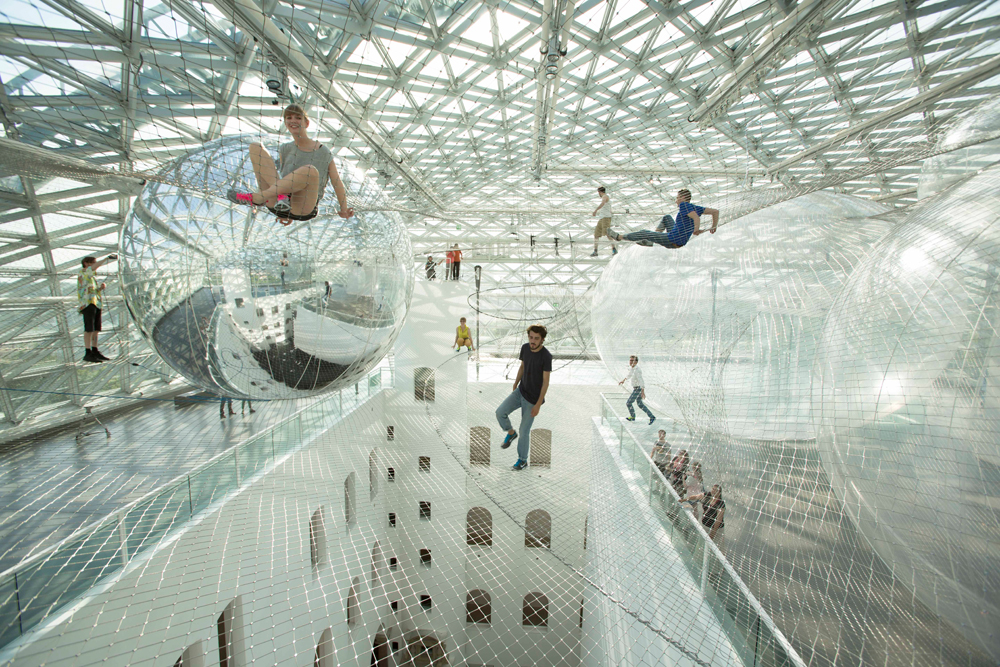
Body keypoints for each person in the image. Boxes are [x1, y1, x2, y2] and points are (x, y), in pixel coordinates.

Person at [227, 104, 353, 225]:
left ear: (307, 123)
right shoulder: (285, 148)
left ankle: (258, 198)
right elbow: (284, 179)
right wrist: (285, 211)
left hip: (303, 205)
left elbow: (336, 182)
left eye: (298, 117)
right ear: (285, 123)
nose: (293, 120)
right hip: (277, 202)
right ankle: (280, 199)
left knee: (310, 171)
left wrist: (344, 209)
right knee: (255, 147)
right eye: (289, 117)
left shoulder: (323, 151)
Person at [496, 324, 552, 471]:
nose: (532, 341)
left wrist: (538, 404)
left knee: (524, 431)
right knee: (500, 412)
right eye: (530, 337)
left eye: (536, 338)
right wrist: (515, 383)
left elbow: (546, 382)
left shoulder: (546, 356)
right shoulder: (525, 348)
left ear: (542, 339)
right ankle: (510, 433)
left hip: (532, 400)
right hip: (520, 391)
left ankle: (522, 460)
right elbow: (522, 366)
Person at [607, 189, 719, 249]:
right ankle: (650, 242)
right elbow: (715, 212)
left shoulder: (684, 205)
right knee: (667, 218)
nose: (676, 200)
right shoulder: (696, 207)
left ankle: (619, 237)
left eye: (677, 198)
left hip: (672, 239)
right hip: (678, 239)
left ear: (683, 198)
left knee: (644, 233)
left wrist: (696, 229)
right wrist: (714, 226)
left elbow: (695, 218)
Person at [77, 254, 117, 363]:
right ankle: (88, 352)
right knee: (89, 328)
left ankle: (94, 350)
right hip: (88, 303)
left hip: (95, 303)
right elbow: (92, 269)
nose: (95, 265)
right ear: (86, 263)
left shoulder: (91, 277)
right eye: (93, 263)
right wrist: (105, 259)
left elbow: (91, 290)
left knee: (96, 329)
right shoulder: (83, 272)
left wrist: (100, 288)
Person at [618, 355, 655, 425]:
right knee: (640, 404)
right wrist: (623, 380)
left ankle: (632, 416)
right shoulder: (632, 368)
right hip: (636, 388)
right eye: (630, 360)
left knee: (628, 403)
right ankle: (652, 417)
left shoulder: (637, 370)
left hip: (638, 389)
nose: (631, 362)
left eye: (633, 360)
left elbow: (641, 381)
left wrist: (642, 392)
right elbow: (629, 375)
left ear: (636, 362)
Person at [590, 186, 617, 257]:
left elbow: (603, 203)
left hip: (605, 218)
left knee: (608, 234)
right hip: (602, 218)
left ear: (599, 192)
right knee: (596, 234)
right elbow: (608, 207)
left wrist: (596, 210)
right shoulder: (605, 197)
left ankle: (614, 249)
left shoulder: (605, 196)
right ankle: (595, 251)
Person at [702, 484, 726, 549]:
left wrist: (713, 533)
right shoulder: (708, 497)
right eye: (713, 489)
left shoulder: (721, 504)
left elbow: (718, 520)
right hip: (705, 527)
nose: (714, 491)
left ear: (719, 493)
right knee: (703, 546)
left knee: (716, 548)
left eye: (716, 490)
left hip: (715, 530)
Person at [650, 431, 671, 496]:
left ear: (664, 435)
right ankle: (657, 489)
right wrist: (650, 458)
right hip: (657, 462)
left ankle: (663, 492)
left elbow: (669, 455)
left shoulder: (667, 445)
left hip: (663, 463)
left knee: (662, 479)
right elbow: (653, 451)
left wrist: (668, 464)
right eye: (659, 433)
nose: (660, 435)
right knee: (657, 478)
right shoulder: (656, 442)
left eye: (661, 434)